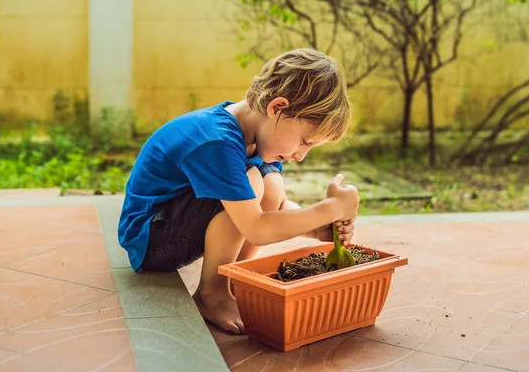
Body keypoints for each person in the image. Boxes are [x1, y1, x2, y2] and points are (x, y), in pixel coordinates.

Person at [118, 48, 360, 334]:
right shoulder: (216, 141)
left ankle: (232, 277)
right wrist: (330, 208)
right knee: (255, 181)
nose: (300, 156)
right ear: (277, 108)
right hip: (152, 239)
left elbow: (277, 208)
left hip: (179, 227)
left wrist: (315, 228)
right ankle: (213, 292)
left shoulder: (259, 136)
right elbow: (257, 227)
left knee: (269, 185)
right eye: (305, 142)